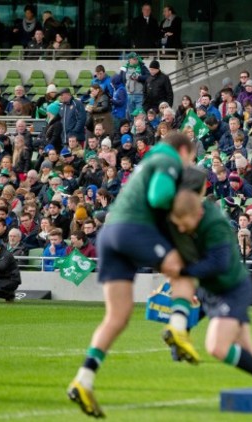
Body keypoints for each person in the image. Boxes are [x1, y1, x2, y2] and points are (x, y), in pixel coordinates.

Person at [66, 133, 194, 418]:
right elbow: (159, 196)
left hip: (109, 234)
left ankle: (83, 379)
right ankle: (178, 325)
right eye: (191, 158)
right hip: (132, 229)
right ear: (184, 150)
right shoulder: (168, 158)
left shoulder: (148, 161)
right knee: (185, 271)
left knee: (117, 316)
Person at [164, 189, 252, 422]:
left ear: (196, 213)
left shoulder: (216, 226)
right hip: (212, 289)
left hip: (231, 288)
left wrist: (183, 273)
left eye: (184, 223)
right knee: (249, 351)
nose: (181, 228)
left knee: (217, 347)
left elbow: (217, 264)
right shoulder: (183, 224)